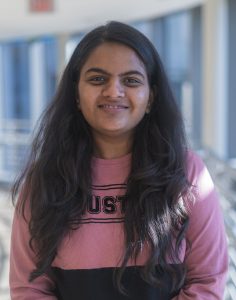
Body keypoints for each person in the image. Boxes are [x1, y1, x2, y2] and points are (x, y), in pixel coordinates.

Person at [10, 21, 228, 300]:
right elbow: (29, 289)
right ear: (76, 94)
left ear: (151, 98)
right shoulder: (43, 182)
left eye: (131, 80)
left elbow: (207, 282)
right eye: (97, 79)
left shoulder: (187, 173)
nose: (114, 91)